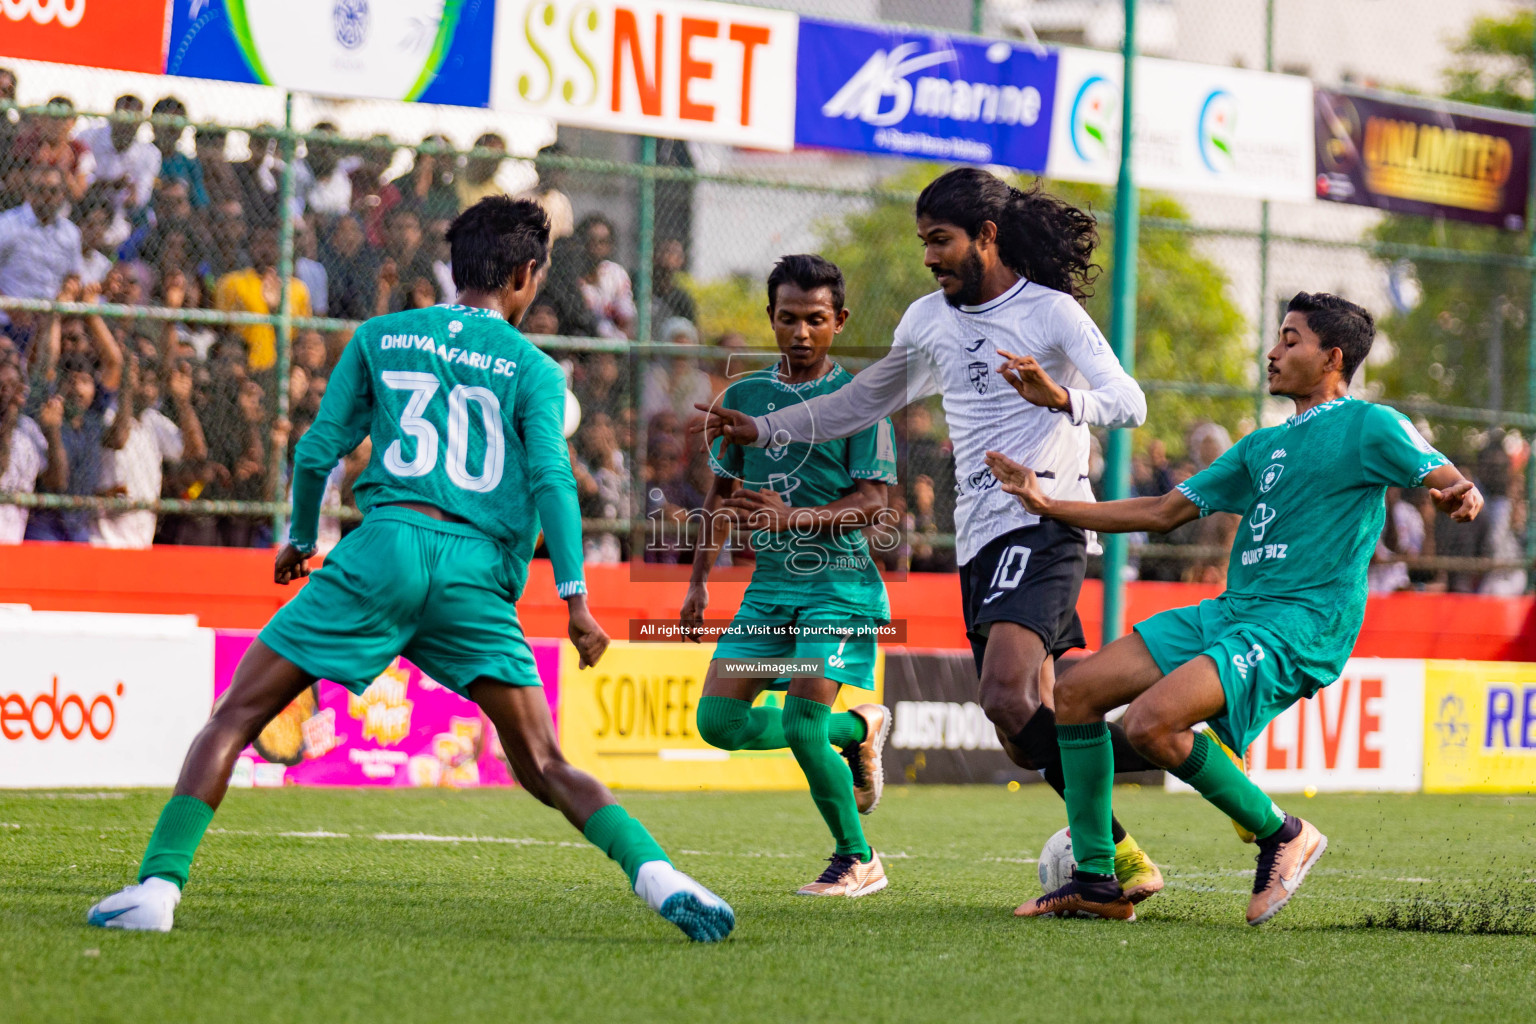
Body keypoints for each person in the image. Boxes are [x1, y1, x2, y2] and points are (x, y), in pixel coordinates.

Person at [87, 196, 735, 943]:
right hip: (475, 572)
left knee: (236, 715)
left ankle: (158, 888)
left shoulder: (381, 336)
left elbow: (314, 451)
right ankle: (663, 878)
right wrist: (575, 599)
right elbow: (554, 481)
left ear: (457, 267)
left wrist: (301, 539)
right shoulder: (536, 369)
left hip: (381, 548)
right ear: (526, 274)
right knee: (546, 762)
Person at [701, 168, 1164, 907]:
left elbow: (1128, 402)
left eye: (939, 240)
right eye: (923, 242)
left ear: (986, 237)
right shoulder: (927, 319)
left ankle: (1161, 767)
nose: (928, 257)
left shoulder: (1051, 315)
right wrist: (762, 427)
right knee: (1019, 726)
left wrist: (1061, 396)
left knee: (1007, 696)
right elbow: (860, 401)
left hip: (1047, 521)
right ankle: (1122, 850)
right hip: (979, 540)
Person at [995, 292, 1483, 925]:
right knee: (1078, 692)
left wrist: (1458, 495)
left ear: (1332, 358)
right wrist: (1049, 505)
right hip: (1232, 609)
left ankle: (1281, 833)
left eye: (1290, 339)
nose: (1273, 352)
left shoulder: (1371, 425)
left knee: (1150, 724)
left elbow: (1443, 475)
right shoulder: (1262, 446)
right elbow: (1162, 511)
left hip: (1299, 621)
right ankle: (1096, 880)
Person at [683, 254, 897, 897]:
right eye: (787, 318)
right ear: (770, 318)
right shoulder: (743, 398)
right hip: (770, 592)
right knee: (718, 722)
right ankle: (858, 730)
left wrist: (793, 518)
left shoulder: (862, 399)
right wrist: (698, 582)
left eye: (816, 319)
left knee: (801, 725)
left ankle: (857, 860)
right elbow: (722, 497)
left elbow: (874, 506)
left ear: (839, 321)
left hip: (840, 587)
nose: (800, 332)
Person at [214, 225, 312, 373]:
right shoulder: (232, 282)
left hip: (285, 370)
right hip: (245, 369)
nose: (265, 249)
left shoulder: (298, 288)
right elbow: (220, 331)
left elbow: (303, 336)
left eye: (272, 242)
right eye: (260, 242)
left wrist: (276, 309)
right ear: (251, 246)